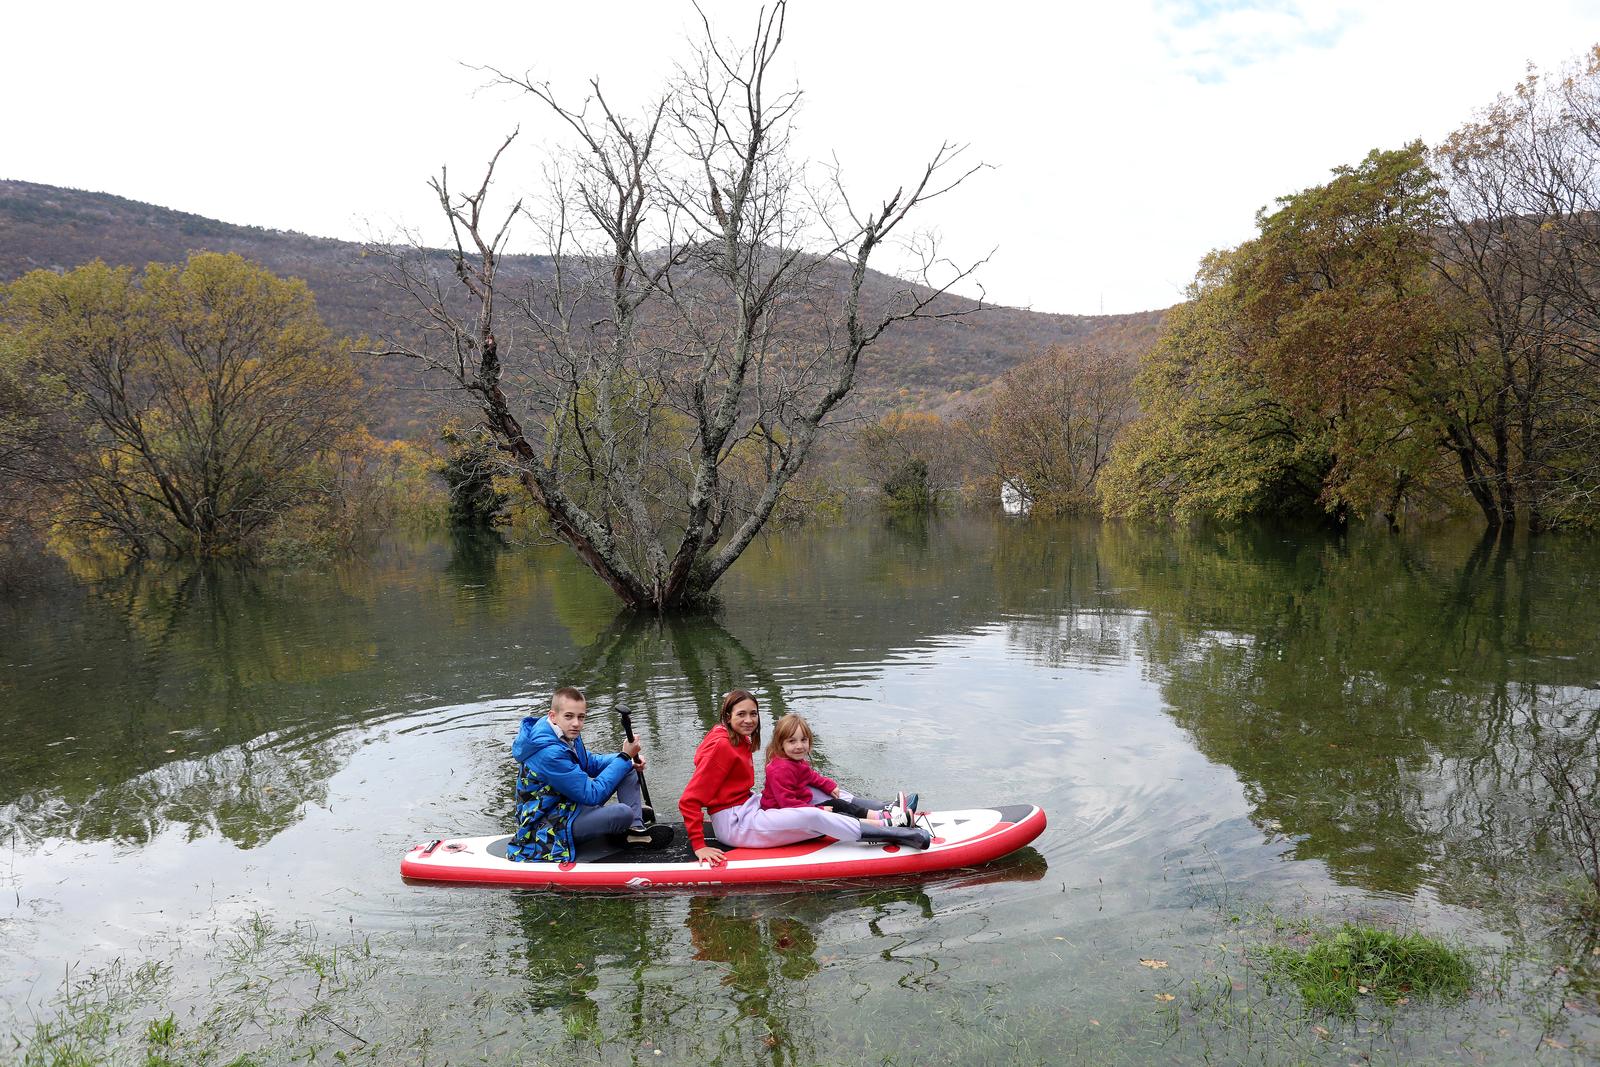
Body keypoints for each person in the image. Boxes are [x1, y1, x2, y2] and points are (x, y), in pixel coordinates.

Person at [678, 690, 931, 867]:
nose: (748, 720)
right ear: (728, 716)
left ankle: (885, 808)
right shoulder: (721, 747)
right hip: (734, 826)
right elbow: (689, 800)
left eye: (753, 714)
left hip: (747, 807)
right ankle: (895, 832)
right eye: (741, 714)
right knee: (811, 815)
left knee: (811, 785)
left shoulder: (735, 738)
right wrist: (699, 846)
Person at [507, 686, 649, 863]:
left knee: (627, 768)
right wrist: (625, 755)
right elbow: (592, 795)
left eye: (581, 717)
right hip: (548, 824)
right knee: (622, 813)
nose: (576, 723)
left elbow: (588, 763)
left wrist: (628, 760)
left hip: (568, 806)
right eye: (569, 716)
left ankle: (635, 831)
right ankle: (623, 821)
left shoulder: (563, 731)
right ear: (553, 716)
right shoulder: (548, 753)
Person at [761, 713, 917, 825]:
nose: (799, 746)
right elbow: (787, 803)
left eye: (803, 740)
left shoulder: (795, 762)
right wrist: (820, 810)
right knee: (838, 814)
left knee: (840, 804)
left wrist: (828, 785)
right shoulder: (780, 769)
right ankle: (885, 824)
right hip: (781, 814)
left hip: (800, 805)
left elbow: (811, 776)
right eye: (792, 741)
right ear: (781, 744)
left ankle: (882, 815)